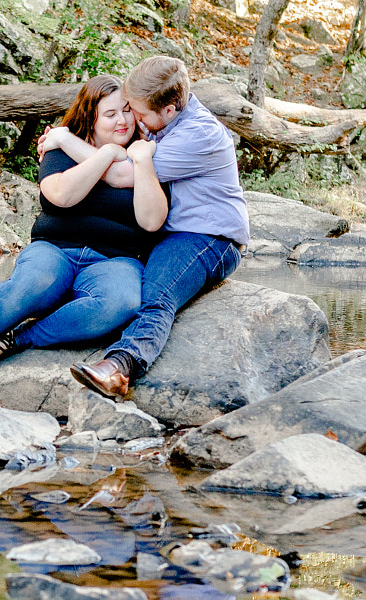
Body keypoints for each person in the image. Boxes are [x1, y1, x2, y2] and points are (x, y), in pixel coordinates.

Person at [0, 75, 167, 379]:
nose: (122, 120)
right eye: (110, 114)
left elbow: (152, 216)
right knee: (29, 285)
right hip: (55, 250)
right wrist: (106, 152)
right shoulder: (61, 149)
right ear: (90, 119)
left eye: (126, 110)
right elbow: (62, 196)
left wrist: (127, 155)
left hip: (116, 259)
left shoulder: (147, 153)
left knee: (122, 303)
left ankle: (21, 337)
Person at [52, 54, 250, 402]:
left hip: (208, 238)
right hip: (168, 233)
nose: (134, 121)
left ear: (170, 109)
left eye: (138, 114)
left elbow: (117, 175)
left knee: (157, 293)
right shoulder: (161, 119)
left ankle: (119, 367)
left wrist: (65, 140)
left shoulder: (196, 135)